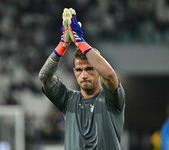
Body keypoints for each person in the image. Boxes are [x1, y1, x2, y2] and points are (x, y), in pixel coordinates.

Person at [39, 8, 125, 150]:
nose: (83, 75)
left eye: (89, 69)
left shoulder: (112, 99)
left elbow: (109, 75)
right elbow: (44, 76)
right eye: (79, 70)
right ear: (74, 72)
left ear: (97, 70)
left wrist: (79, 41)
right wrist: (63, 44)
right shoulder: (68, 100)